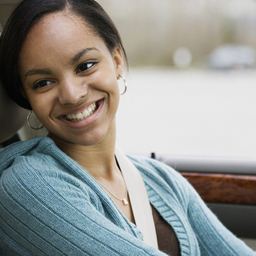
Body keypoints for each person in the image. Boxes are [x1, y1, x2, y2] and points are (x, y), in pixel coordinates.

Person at [0, 0, 255, 255]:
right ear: (27, 96)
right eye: (43, 82)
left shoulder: (163, 180)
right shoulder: (25, 187)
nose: (71, 95)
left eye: (85, 66)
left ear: (117, 61)